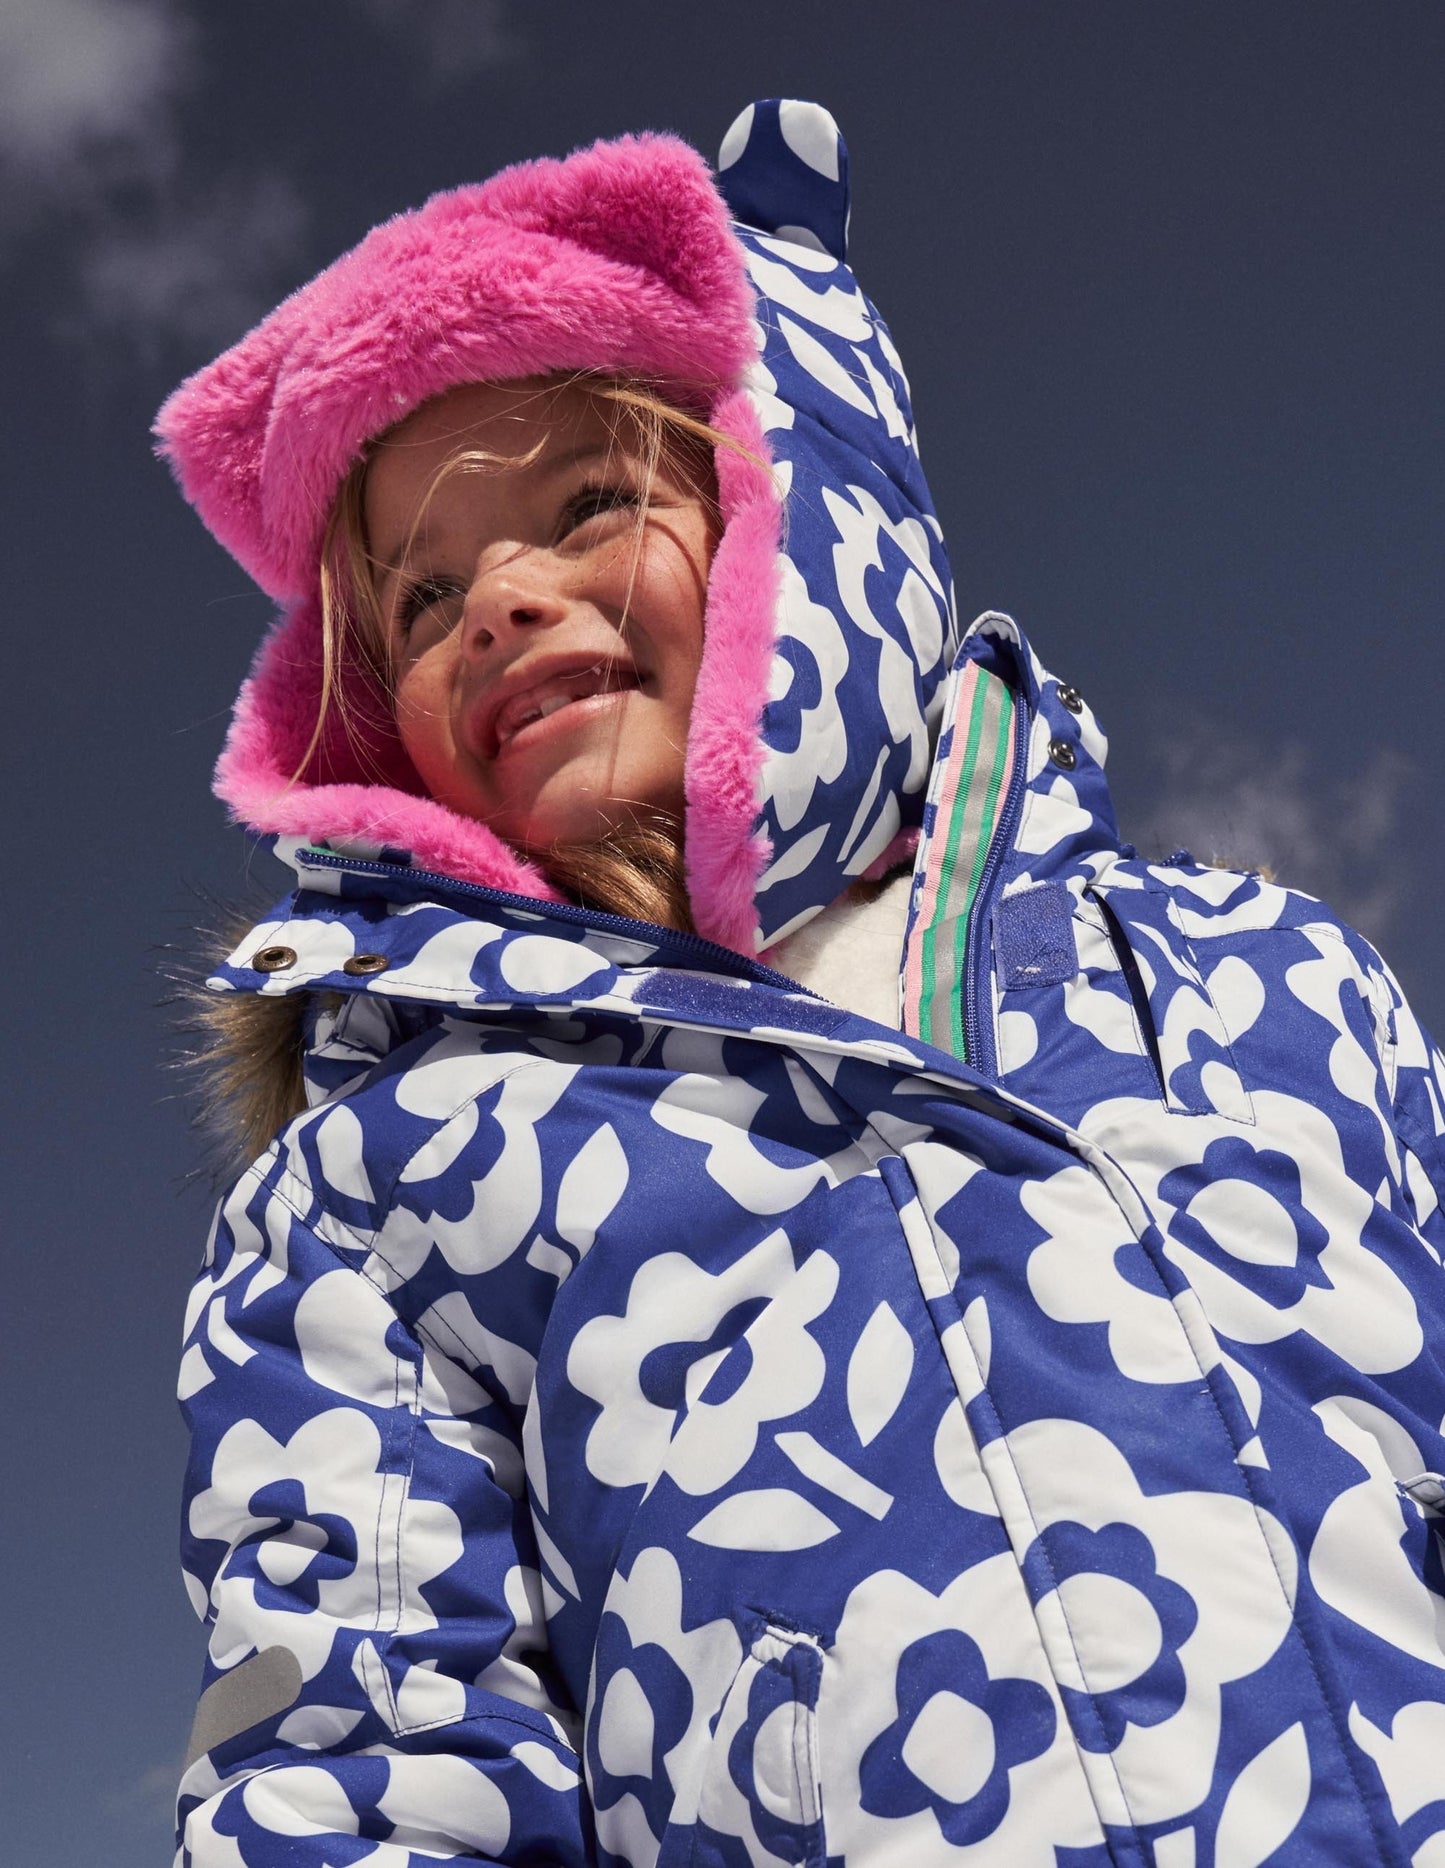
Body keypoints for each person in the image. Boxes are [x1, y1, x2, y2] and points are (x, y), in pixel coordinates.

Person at [157, 100, 1445, 1866]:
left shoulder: (1260, 976)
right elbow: (360, 1756)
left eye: (593, 501)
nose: (500, 601)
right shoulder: (389, 1181)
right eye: (422, 594)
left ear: (797, 509)